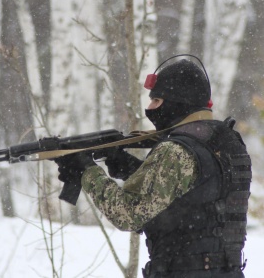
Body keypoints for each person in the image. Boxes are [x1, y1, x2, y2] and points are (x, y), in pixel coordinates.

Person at [55, 58, 252, 278]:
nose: (149, 108)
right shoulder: (227, 141)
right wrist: (128, 166)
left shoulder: (175, 150)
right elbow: (191, 199)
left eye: (156, 100)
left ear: (179, 101)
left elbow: (128, 215)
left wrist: (87, 171)